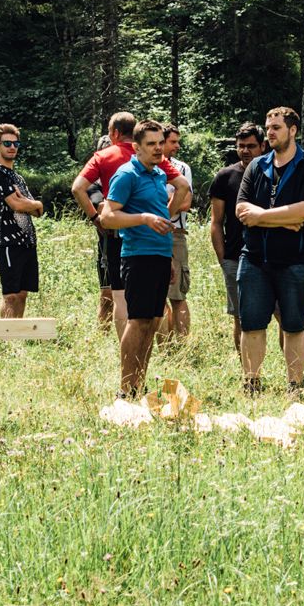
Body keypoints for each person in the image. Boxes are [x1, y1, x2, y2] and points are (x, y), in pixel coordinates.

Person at [235, 106, 304, 394]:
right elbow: (241, 209)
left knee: (294, 324)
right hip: (254, 259)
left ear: (293, 130)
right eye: (268, 127)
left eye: (276, 127)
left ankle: (294, 385)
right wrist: (283, 220)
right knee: (251, 324)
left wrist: (261, 217)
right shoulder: (256, 166)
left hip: (296, 261)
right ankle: (251, 383)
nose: (270, 133)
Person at [74, 111, 179, 335]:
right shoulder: (156, 160)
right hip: (152, 236)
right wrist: (165, 216)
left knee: (120, 295)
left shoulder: (104, 156)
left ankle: (126, 342)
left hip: (119, 232)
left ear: (114, 133)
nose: (157, 147)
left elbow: (77, 188)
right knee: (156, 303)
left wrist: (95, 218)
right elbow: (183, 187)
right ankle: (163, 346)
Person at [99, 120, 176, 398]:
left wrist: (168, 259)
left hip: (160, 255)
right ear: (136, 147)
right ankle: (124, 389)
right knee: (138, 321)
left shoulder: (158, 174)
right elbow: (107, 217)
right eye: (151, 144)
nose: (158, 149)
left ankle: (138, 386)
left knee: (153, 322)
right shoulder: (126, 174)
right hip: (137, 256)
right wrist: (143, 218)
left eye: (160, 143)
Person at [208, 125, 263, 354]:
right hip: (234, 257)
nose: (245, 151)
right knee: (241, 317)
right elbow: (216, 222)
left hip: (270, 256)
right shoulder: (225, 176)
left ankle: (290, 367)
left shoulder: (273, 173)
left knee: (281, 315)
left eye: (251, 146)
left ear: (263, 146)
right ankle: (246, 368)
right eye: (241, 146)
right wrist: (223, 259)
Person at [0, 124, 43, 319]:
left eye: (15, 144)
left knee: (23, 294)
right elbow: (16, 204)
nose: (12, 147)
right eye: (7, 143)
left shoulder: (18, 178)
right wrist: (29, 203)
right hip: (7, 240)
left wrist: (31, 203)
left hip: (27, 240)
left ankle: (16, 333)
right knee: (10, 295)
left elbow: (38, 211)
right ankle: (5, 334)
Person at [160, 125, 195, 340]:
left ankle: (182, 345)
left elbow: (185, 202)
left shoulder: (181, 168)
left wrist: (154, 204)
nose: (177, 146)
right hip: (149, 234)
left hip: (175, 234)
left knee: (178, 294)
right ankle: (164, 347)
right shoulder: (144, 166)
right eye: (173, 141)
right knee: (156, 296)